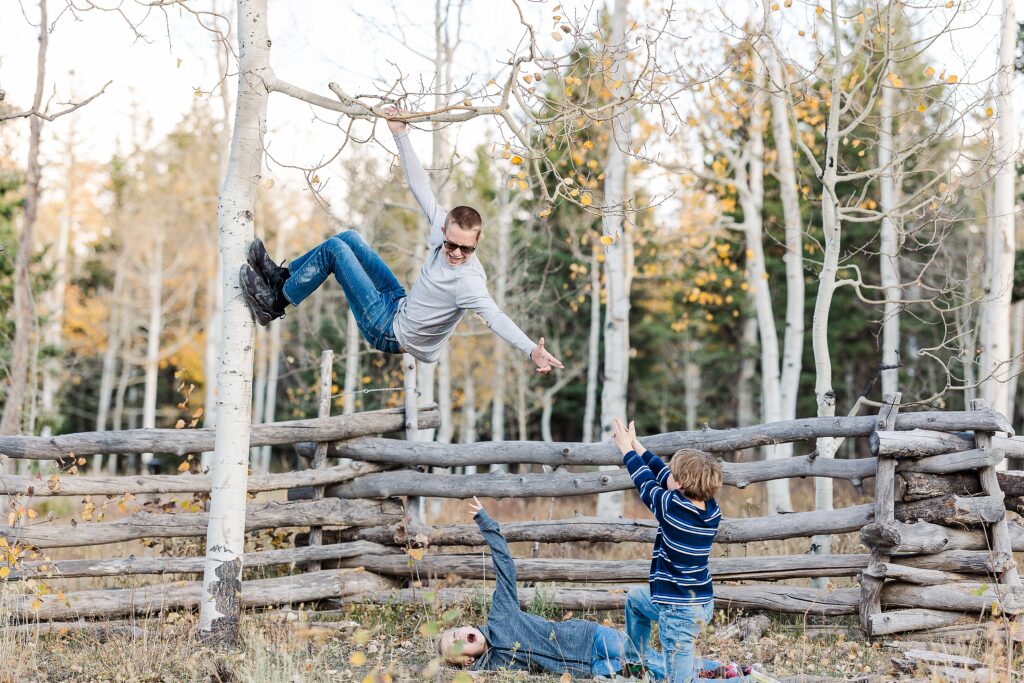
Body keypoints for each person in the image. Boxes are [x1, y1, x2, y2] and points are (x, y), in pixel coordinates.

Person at [238, 109, 564, 374]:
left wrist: (530, 350)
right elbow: (420, 186)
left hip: (390, 331)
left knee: (336, 251)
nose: (455, 253)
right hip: (398, 304)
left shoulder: (470, 283)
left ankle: (275, 303)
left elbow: (496, 318)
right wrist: (400, 134)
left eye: (466, 249)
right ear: (445, 230)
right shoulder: (441, 225)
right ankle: (284, 278)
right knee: (349, 237)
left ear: (476, 245)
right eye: (451, 244)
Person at [612, 418, 779, 683]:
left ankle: (745, 681)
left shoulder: (672, 508)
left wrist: (626, 450)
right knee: (635, 600)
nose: (667, 476)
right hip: (697, 604)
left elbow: (645, 481)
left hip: (679, 613)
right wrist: (637, 445)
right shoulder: (710, 508)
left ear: (679, 485)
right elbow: (664, 476)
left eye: (673, 476)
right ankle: (636, 667)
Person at [437, 496, 640, 678]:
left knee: (642, 655)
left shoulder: (500, 615)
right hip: (588, 670)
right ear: (468, 660)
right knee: (638, 671)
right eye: (457, 646)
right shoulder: (495, 667)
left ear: (468, 627)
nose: (460, 638)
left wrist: (486, 523)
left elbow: (505, 566)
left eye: (456, 634)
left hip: (588, 638)